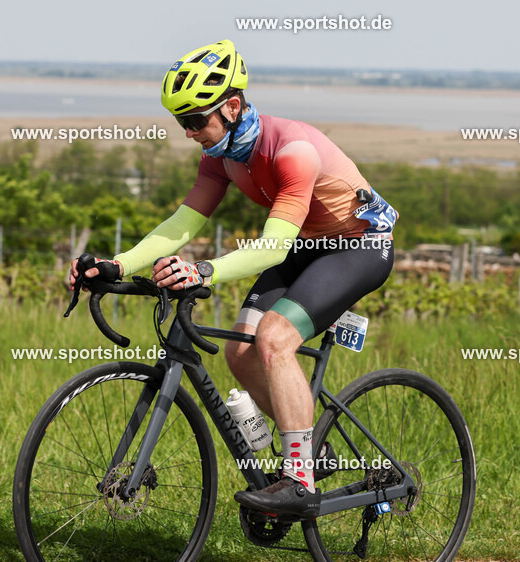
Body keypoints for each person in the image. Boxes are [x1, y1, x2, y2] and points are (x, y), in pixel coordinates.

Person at [69, 39, 398, 517]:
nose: (188, 133)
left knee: (274, 338)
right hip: (307, 244)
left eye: (195, 121)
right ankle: (310, 453)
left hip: (359, 245)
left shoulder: (293, 151)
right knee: (240, 352)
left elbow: (273, 247)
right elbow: (182, 223)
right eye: (181, 122)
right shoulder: (221, 157)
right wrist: (119, 264)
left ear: (233, 107)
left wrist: (204, 270)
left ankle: (299, 480)